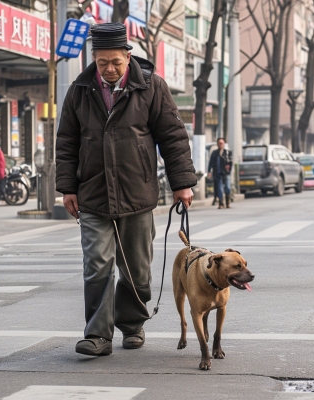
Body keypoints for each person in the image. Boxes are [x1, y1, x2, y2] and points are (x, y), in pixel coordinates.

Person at [55, 23, 196, 357]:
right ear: (94, 58)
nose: (109, 69)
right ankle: (98, 335)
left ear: (128, 56)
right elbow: (66, 142)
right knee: (97, 265)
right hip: (93, 194)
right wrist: (67, 188)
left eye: (115, 61)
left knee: (136, 268)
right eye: (102, 61)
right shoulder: (79, 89)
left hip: (137, 192)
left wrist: (182, 183)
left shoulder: (150, 87)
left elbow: (173, 137)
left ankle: (132, 325)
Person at [207, 138, 233, 209]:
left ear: (224, 144)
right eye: (219, 143)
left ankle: (228, 202)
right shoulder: (215, 153)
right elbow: (211, 163)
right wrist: (209, 171)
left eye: (222, 143)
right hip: (218, 173)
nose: (220, 144)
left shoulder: (227, 152)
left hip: (226, 173)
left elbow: (230, 163)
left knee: (227, 188)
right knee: (219, 189)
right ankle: (221, 204)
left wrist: (229, 171)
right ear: (217, 144)